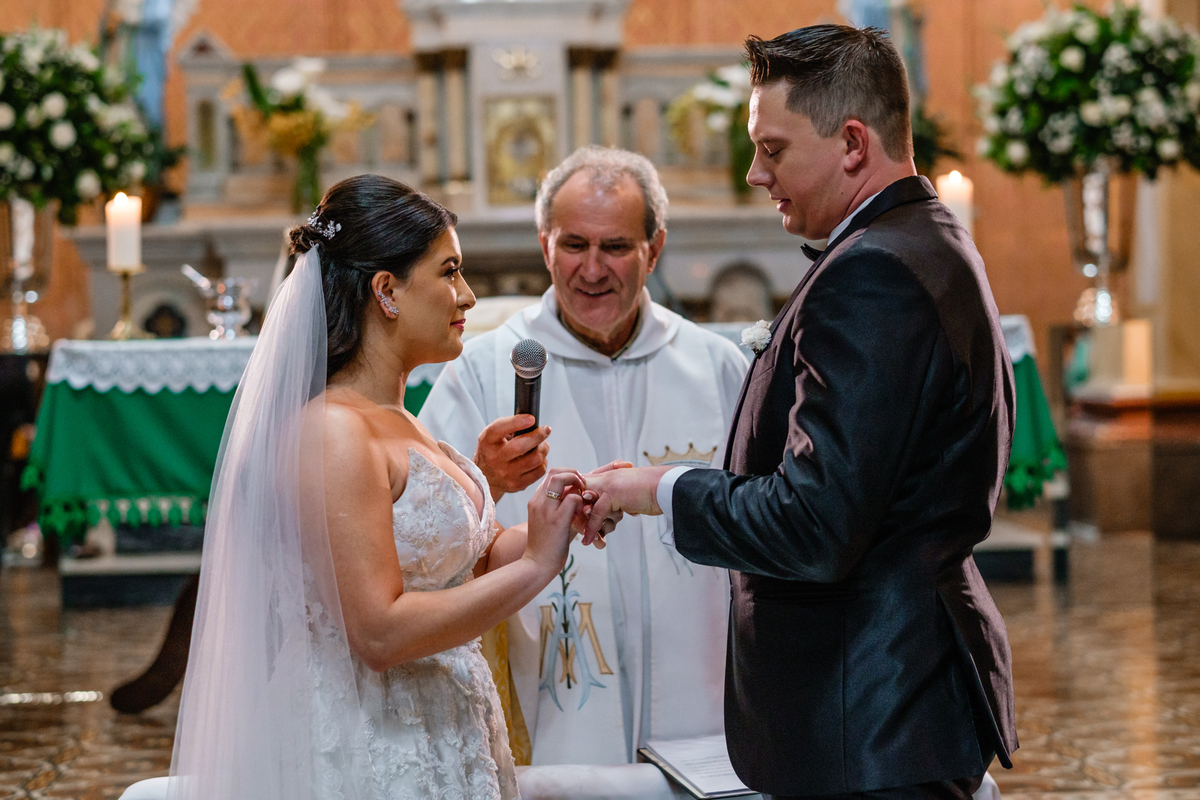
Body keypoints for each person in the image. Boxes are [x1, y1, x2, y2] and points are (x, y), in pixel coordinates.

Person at [581, 26, 1018, 799]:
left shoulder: (875, 272)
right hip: (892, 701)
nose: (756, 174)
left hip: (869, 713)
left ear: (852, 142)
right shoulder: (921, 239)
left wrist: (659, 489)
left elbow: (814, 524)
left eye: (773, 149)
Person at [167, 174, 596, 800]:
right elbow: (378, 632)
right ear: (387, 290)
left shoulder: (401, 419)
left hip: (441, 726)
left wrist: (556, 517)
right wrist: (536, 567)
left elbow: (460, 565)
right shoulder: (332, 431)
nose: (467, 296)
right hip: (371, 739)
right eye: (449, 272)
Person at [419, 146, 749, 765]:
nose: (592, 269)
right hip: (554, 711)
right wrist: (484, 476)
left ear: (655, 247)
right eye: (574, 244)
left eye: (617, 246)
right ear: (545, 244)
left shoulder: (716, 368)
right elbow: (431, 545)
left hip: (702, 706)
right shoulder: (483, 370)